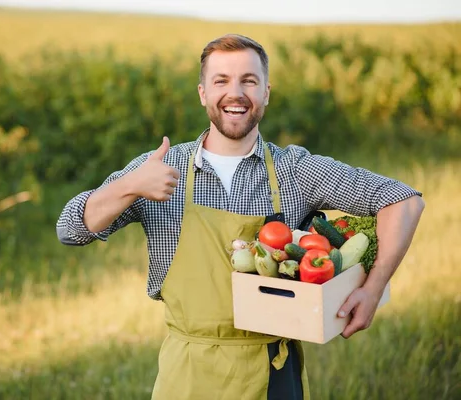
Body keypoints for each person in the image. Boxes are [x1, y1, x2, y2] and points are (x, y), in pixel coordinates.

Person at [56, 34, 425, 400]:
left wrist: (372, 290)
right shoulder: (158, 170)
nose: (236, 93)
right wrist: (129, 186)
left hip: (273, 374)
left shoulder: (295, 171)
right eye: (221, 81)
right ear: (203, 93)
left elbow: (404, 201)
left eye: (249, 81)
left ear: (266, 92)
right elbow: (70, 229)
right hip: (188, 376)